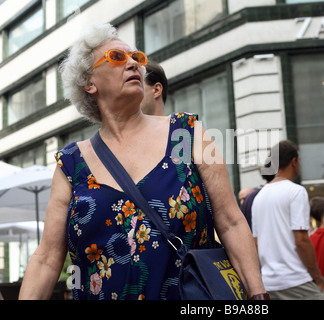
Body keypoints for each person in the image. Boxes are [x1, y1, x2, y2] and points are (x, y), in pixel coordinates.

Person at [18, 23, 267, 300]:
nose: (132, 63)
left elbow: (231, 221)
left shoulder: (185, 133)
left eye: (137, 58)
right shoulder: (71, 164)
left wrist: (257, 295)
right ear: (88, 83)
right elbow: (47, 259)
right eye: (117, 57)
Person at [252, 140, 324, 300]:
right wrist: (318, 278)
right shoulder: (296, 192)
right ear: (294, 161)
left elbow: (256, 243)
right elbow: (301, 241)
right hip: (296, 280)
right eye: (300, 160)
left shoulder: (258, 197)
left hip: (269, 283)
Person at [240, 160, 275, 230]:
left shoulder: (251, 197)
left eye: (243, 198)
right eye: (240, 199)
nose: (241, 202)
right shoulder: (274, 194)